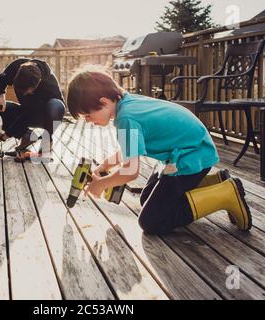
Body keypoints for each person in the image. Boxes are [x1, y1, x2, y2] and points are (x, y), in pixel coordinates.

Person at [66, 69, 252, 235]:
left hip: (189, 158)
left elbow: (131, 171)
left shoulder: (126, 119)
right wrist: (107, 165)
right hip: (187, 153)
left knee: (151, 221)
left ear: (104, 102)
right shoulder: (127, 103)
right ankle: (214, 181)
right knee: (147, 199)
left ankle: (226, 193)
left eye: (88, 116)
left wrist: (102, 184)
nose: (89, 121)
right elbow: (131, 149)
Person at [0, 58, 65, 160]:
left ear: (39, 82)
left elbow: (29, 114)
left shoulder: (48, 84)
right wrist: (1, 96)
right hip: (26, 109)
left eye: (28, 92)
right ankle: (26, 136)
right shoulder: (16, 67)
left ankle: (47, 142)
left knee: (55, 105)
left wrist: (5, 136)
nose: (25, 94)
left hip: (47, 114)